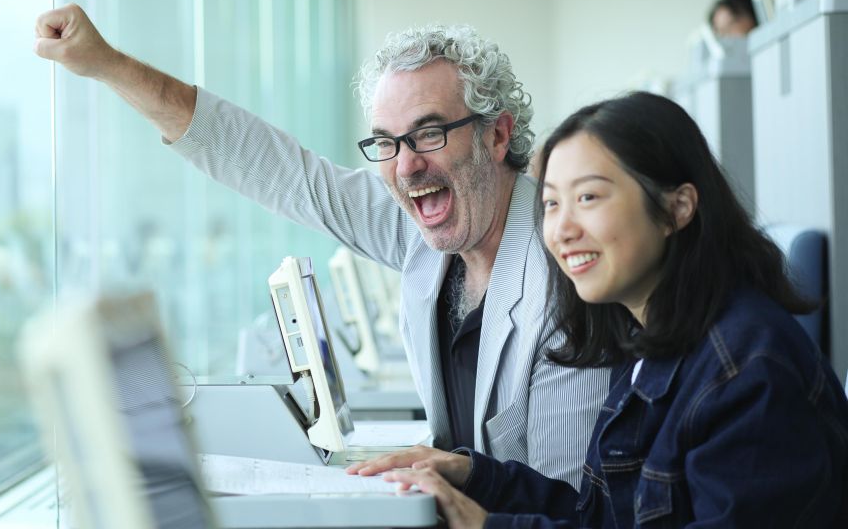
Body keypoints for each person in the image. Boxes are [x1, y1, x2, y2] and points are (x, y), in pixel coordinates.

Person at [33, 4, 609, 487]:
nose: (407, 165)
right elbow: (275, 170)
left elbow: (578, 504)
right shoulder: (426, 236)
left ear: (497, 134)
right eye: (386, 142)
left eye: (429, 133)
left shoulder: (565, 271)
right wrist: (107, 65)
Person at [350, 91, 848, 527]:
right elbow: (601, 517)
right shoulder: (645, 347)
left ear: (678, 208)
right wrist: (475, 476)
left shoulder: (746, 375)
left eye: (588, 197)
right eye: (551, 204)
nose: (562, 230)